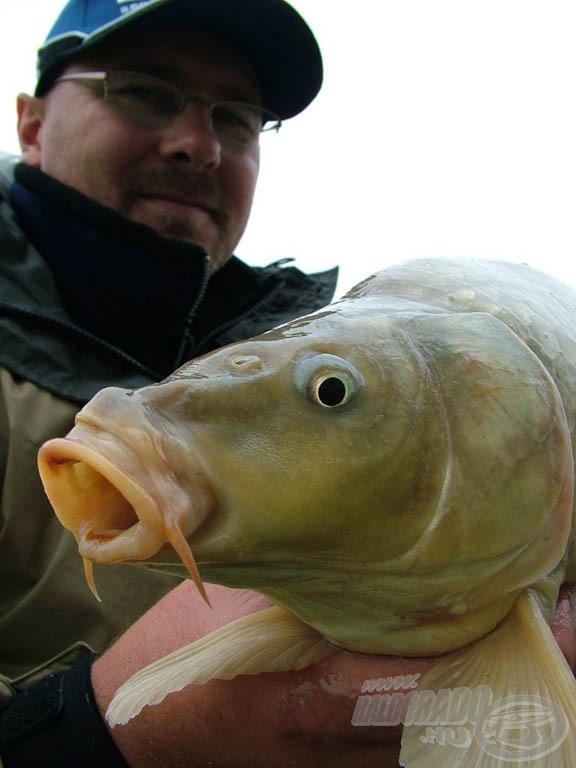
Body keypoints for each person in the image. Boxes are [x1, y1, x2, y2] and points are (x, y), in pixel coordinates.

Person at [0, 1, 574, 766]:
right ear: (32, 123)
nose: (196, 144)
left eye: (235, 116)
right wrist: (96, 730)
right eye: (142, 91)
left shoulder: (305, 333)